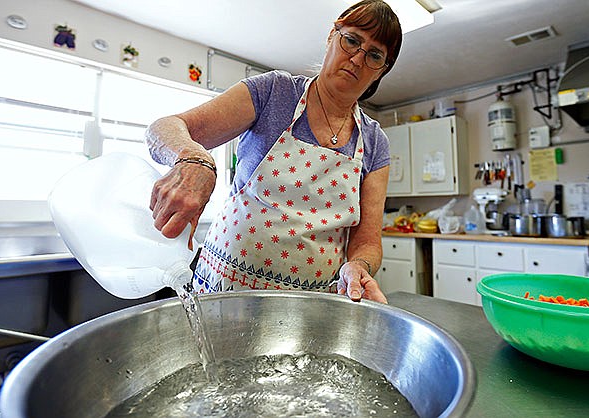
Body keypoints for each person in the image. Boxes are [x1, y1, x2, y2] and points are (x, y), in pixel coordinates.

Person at [145, 0, 402, 304]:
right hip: (224, 292)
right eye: (352, 40)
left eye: (374, 55)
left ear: (380, 72)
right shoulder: (274, 93)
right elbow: (165, 127)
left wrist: (359, 265)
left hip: (311, 307)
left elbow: (368, 241)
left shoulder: (373, 140)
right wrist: (194, 159)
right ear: (332, 36)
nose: (358, 59)